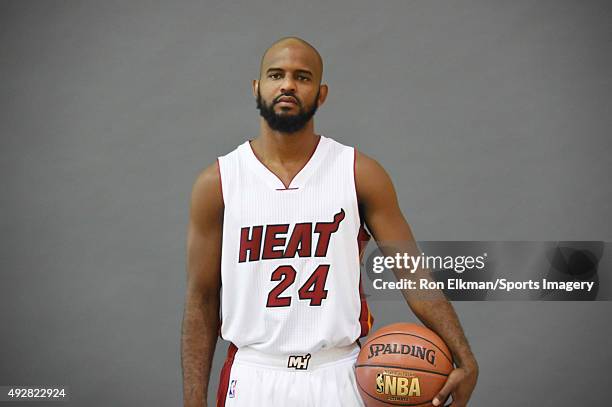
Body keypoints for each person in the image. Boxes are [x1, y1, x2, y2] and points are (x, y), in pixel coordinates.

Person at [182, 36, 478, 407]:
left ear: (321, 95)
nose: (288, 84)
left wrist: (464, 356)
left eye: (302, 77)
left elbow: (412, 273)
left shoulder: (358, 172)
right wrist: (193, 400)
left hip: (338, 373)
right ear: (257, 88)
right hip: (253, 375)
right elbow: (202, 299)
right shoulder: (218, 182)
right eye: (276, 75)